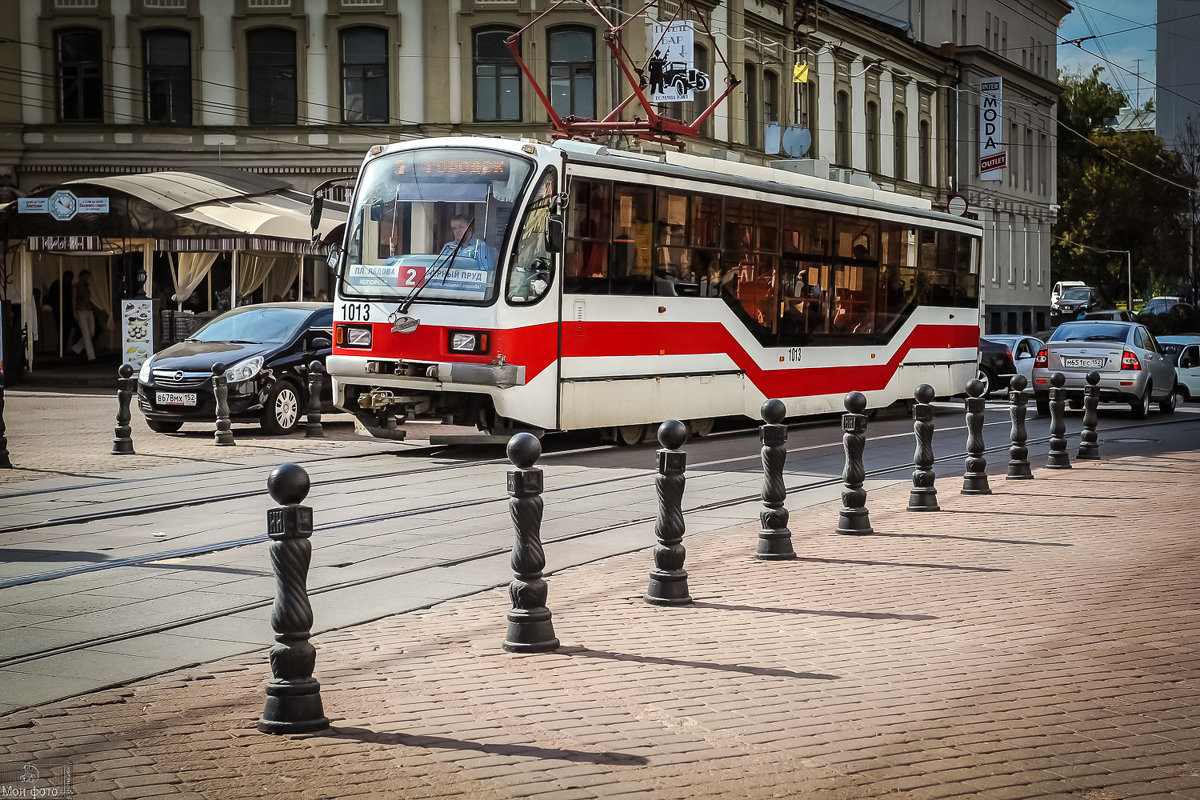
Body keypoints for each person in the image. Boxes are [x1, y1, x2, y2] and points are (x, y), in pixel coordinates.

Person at [70, 269, 96, 361]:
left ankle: (76, 348)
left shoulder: (86, 286)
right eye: (85, 277)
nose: (86, 279)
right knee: (86, 333)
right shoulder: (76, 287)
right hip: (80, 310)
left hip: (88, 310)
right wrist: (75, 312)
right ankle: (91, 356)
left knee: (91, 331)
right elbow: (74, 300)